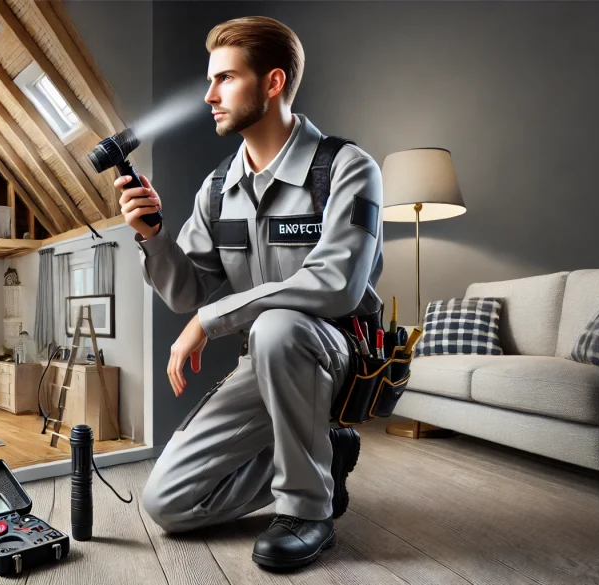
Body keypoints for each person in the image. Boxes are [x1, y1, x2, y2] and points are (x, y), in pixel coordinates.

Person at [117, 15, 383, 571]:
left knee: (278, 326)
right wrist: (155, 236)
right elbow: (189, 290)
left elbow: (335, 285)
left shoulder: (346, 168)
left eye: (226, 79)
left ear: (273, 82)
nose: (210, 95)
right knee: (167, 502)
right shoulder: (217, 189)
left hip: (334, 355)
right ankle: (321, 457)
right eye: (210, 80)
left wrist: (210, 322)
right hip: (265, 361)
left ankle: (309, 511)